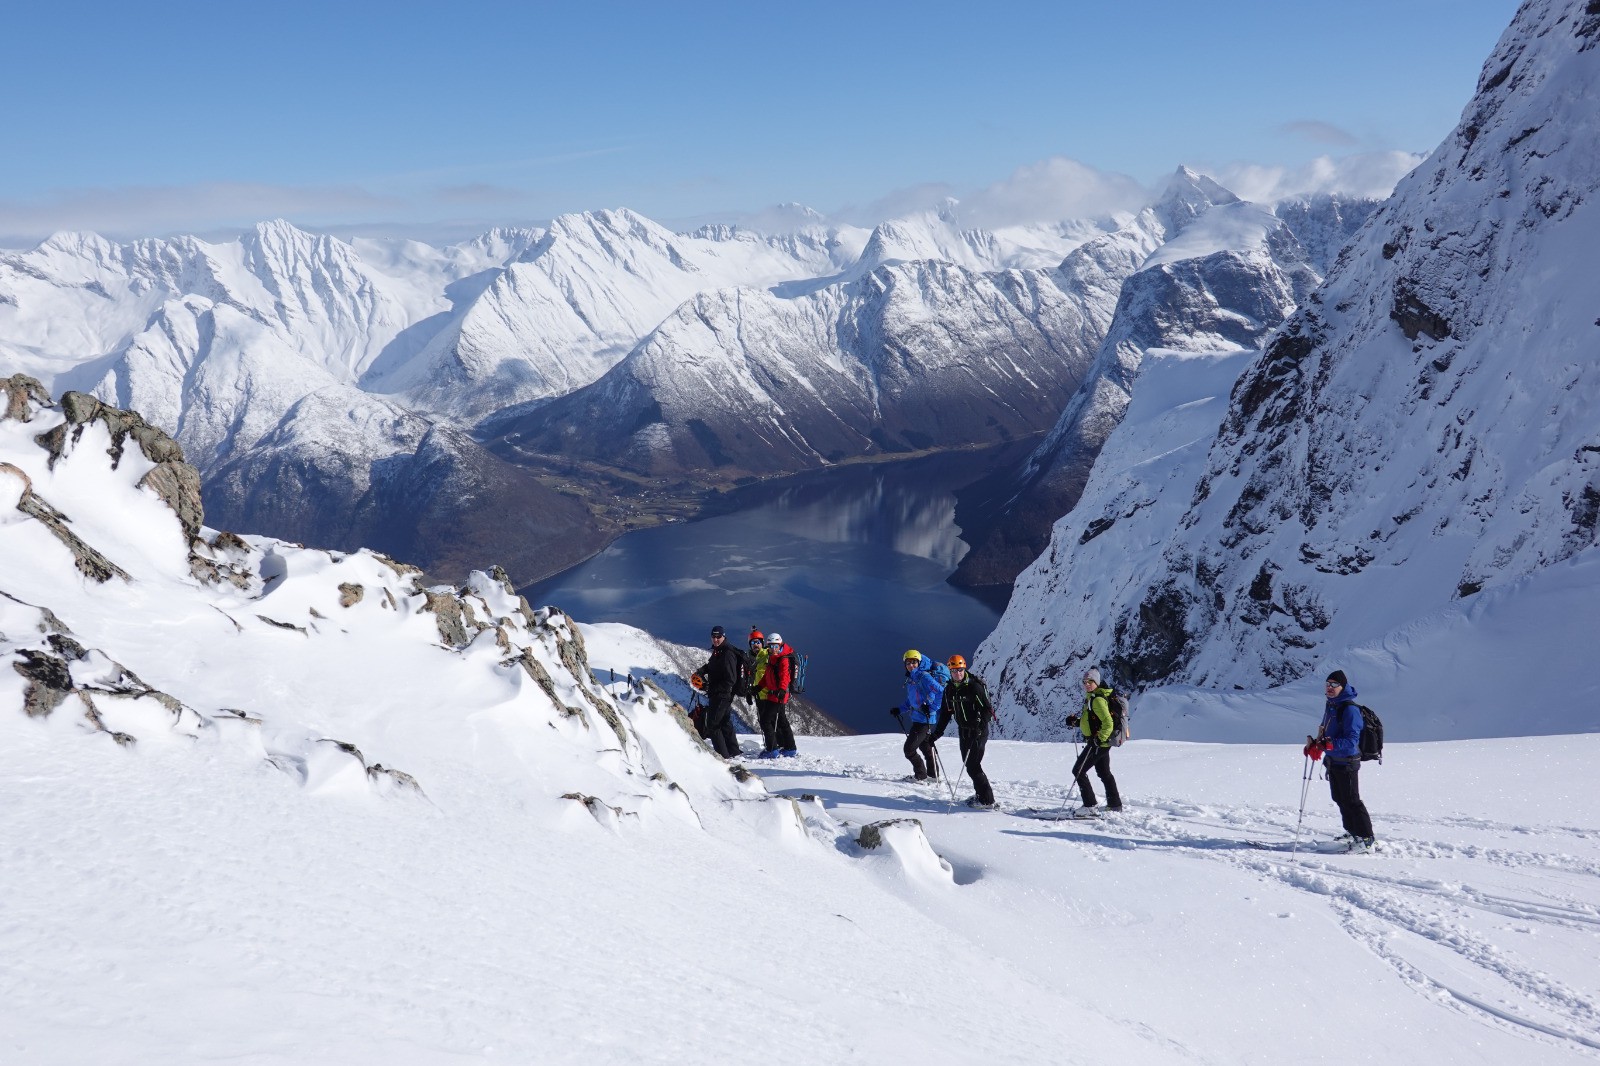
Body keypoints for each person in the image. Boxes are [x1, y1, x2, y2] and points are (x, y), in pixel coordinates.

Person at [1311, 669, 1375, 851]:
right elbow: (1327, 733)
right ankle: (1353, 831)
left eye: (1334, 684)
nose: (1329, 687)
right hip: (1334, 761)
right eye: (1327, 684)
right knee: (1339, 798)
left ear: (1343, 686)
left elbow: (1351, 741)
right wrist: (1316, 745)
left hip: (1347, 761)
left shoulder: (1349, 709)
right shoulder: (1331, 706)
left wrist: (1328, 745)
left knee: (1352, 800)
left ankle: (1366, 838)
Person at [931, 654, 996, 808]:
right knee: (969, 764)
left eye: (960, 670)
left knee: (973, 765)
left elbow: (987, 710)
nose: (957, 673)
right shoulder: (950, 690)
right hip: (964, 731)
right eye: (954, 671)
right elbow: (946, 714)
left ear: (964, 669)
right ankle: (980, 795)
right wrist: (936, 734)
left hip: (978, 732)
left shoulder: (974, 687)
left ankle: (987, 800)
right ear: (950, 671)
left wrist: (978, 728)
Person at [1065, 667, 1122, 812]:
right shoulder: (1093, 697)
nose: (1087, 684)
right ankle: (1115, 805)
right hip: (1101, 743)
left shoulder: (1097, 700)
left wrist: (1098, 739)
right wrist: (1076, 722)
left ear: (1096, 682)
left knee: (1078, 771)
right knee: (1104, 773)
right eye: (1084, 681)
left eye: (1090, 681)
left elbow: (1108, 723)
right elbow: (1092, 721)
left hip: (1097, 743)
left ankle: (1090, 805)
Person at [890, 650, 947, 781]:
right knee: (925, 747)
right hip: (920, 718)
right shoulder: (912, 678)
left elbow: (941, 692)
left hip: (924, 719)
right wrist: (899, 709)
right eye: (908, 663)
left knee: (909, 750)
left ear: (919, 662)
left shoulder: (924, 677)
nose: (911, 665)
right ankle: (933, 776)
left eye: (914, 662)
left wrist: (931, 707)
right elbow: (912, 701)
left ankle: (920, 776)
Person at [692, 625, 744, 759]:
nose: (715, 639)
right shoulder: (718, 651)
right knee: (724, 722)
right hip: (719, 694)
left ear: (724, 636)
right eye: (713, 637)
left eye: (718, 637)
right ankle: (734, 752)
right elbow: (711, 666)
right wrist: (700, 672)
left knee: (713, 725)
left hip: (723, 695)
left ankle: (722, 757)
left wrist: (709, 687)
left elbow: (730, 680)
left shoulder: (727, 654)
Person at [754, 631, 799, 758]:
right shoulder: (772, 658)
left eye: (776, 646)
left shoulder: (783, 660)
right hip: (773, 695)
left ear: (780, 645)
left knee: (766, 721)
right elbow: (767, 676)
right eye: (770, 646)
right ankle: (790, 748)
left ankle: (772, 749)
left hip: (778, 696)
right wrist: (758, 687)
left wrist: (782, 690)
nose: (773, 649)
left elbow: (785, 676)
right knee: (781, 721)